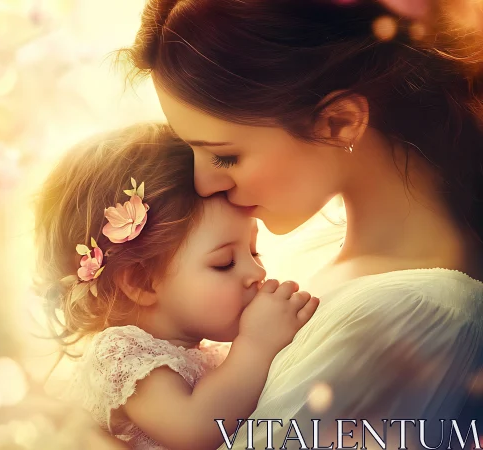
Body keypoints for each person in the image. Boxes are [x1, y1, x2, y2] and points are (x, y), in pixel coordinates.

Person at [120, 0, 483, 448]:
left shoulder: (410, 315)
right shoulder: (319, 253)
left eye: (226, 155)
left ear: (339, 122)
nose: (202, 183)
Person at [34, 123, 320, 449]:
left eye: (254, 250)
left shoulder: (214, 356)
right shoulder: (121, 354)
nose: (257, 270)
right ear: (142, 282)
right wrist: (257, 346)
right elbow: (194, 429)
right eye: (224, 262)